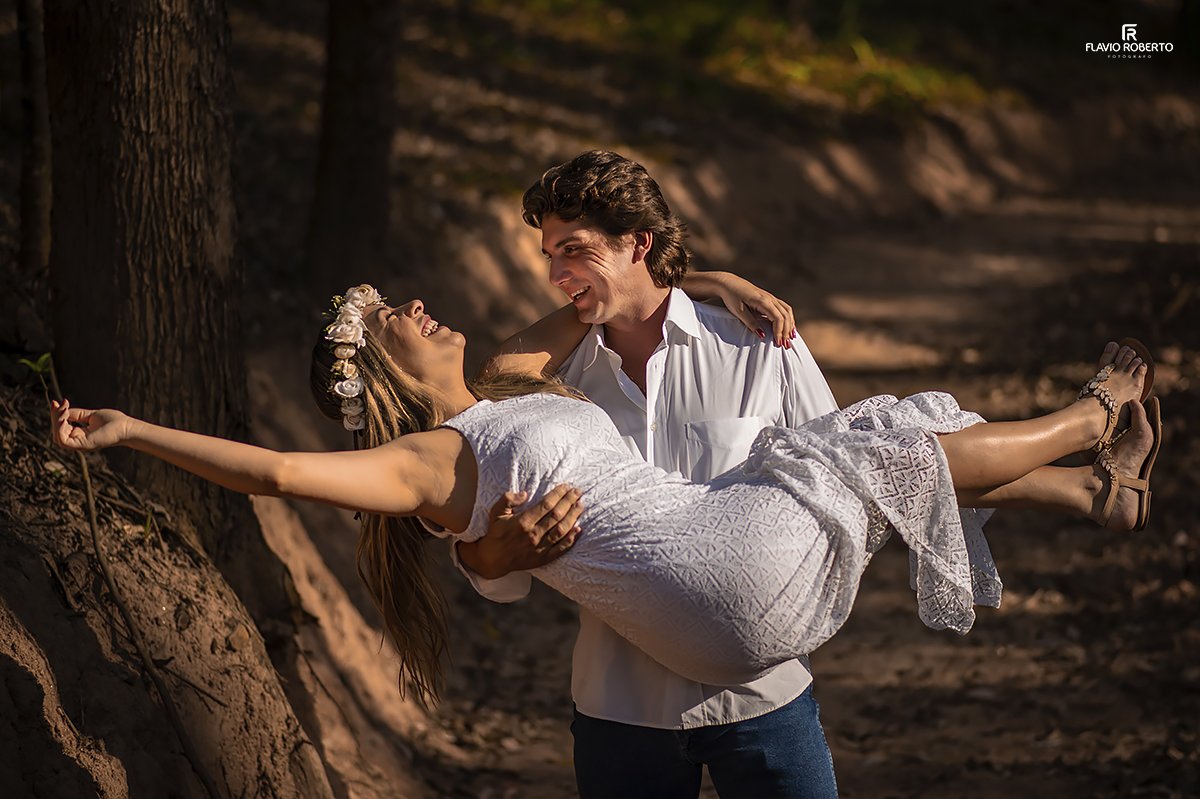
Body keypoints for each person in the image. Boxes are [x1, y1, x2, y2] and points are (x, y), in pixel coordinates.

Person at [52, 287, 1160, 730]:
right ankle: (1088, 414)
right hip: (719, 579)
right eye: (394, 315)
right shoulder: (424, 461)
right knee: (877, 439)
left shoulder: (503, 386)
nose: (418, 306)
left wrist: (710, 286)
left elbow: (608, 298)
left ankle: (1090, 491)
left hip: (729, 594)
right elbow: (280, 476)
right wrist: (133, 431)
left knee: (875, 466)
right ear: (379, 376)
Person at [458, 149, 845, 798]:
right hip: (620, 709)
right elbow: (496, 540)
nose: (556, 274)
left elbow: (841, 478)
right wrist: (485, 559)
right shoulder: (549, 394)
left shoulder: (757, 344)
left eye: (573, 251)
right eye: (549, 255)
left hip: (765, 695)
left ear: (638, 242)